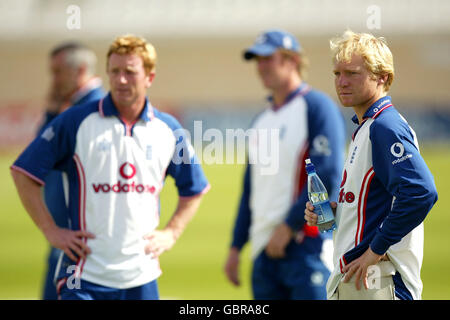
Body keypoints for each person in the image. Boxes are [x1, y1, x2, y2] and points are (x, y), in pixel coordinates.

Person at [11, 34, 210, 300]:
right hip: (82, 276)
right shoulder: (76, 121)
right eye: (115, 71)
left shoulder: (169, 130)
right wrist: (51, 230)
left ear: (149, 77)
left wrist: (172, 233)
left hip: (142, 276)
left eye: (130, 72)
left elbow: (195, 187)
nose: (121, 79)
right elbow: (24, 172)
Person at [304, 30, 438, 300]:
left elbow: (421, 193)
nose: (341, 82)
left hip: (382, 283)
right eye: (337, 73)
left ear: (383, 77)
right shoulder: (367, 127)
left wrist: (374, 250)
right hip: (364, 283)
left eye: (352, 73)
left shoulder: (384, 127)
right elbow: (375, 202)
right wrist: (338, 212)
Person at [224, 29, 346, 300]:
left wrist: (289, 226)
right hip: (263, 253)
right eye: (258, 60)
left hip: (305, 246)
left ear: (292, 60)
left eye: (269, 58)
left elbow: (327, 173)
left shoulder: (316, 107)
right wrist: (236, 246)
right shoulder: (261, 121)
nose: (261, 66)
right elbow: (250, 190)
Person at [38, 42, 105, 300]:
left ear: (80, 69)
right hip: (65, 234)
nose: (53, 80)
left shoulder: (91, 112)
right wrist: (51, 111)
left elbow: (37, 158)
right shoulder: (71, 108)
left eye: (58, 72)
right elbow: (39, 156)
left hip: (77, 239)